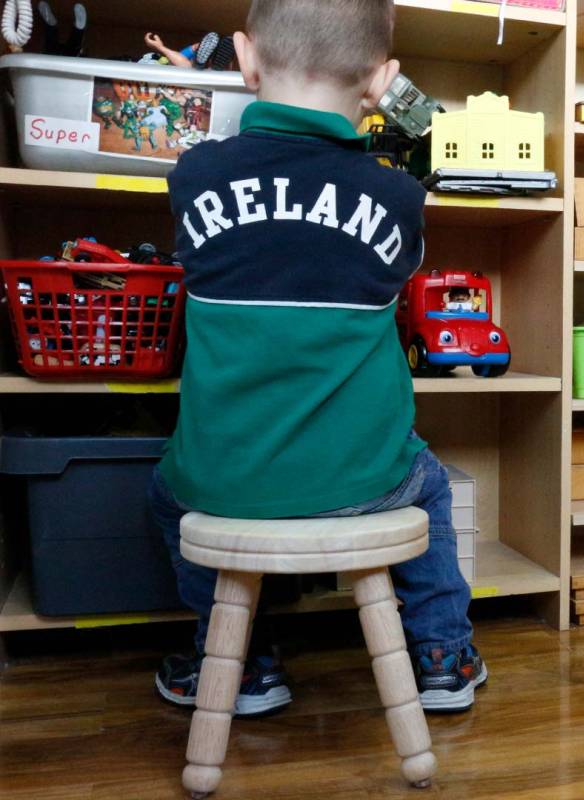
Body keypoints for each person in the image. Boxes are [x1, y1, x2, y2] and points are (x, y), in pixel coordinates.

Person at [149, 0, 485, 719]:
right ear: (381, 80)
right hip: (369, 481)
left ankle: (237, 662)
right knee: (429, 482)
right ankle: (442, 655)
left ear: (244, 58)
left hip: (219, 486)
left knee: (162, 489)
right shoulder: (398, 195)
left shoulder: (194, 177)